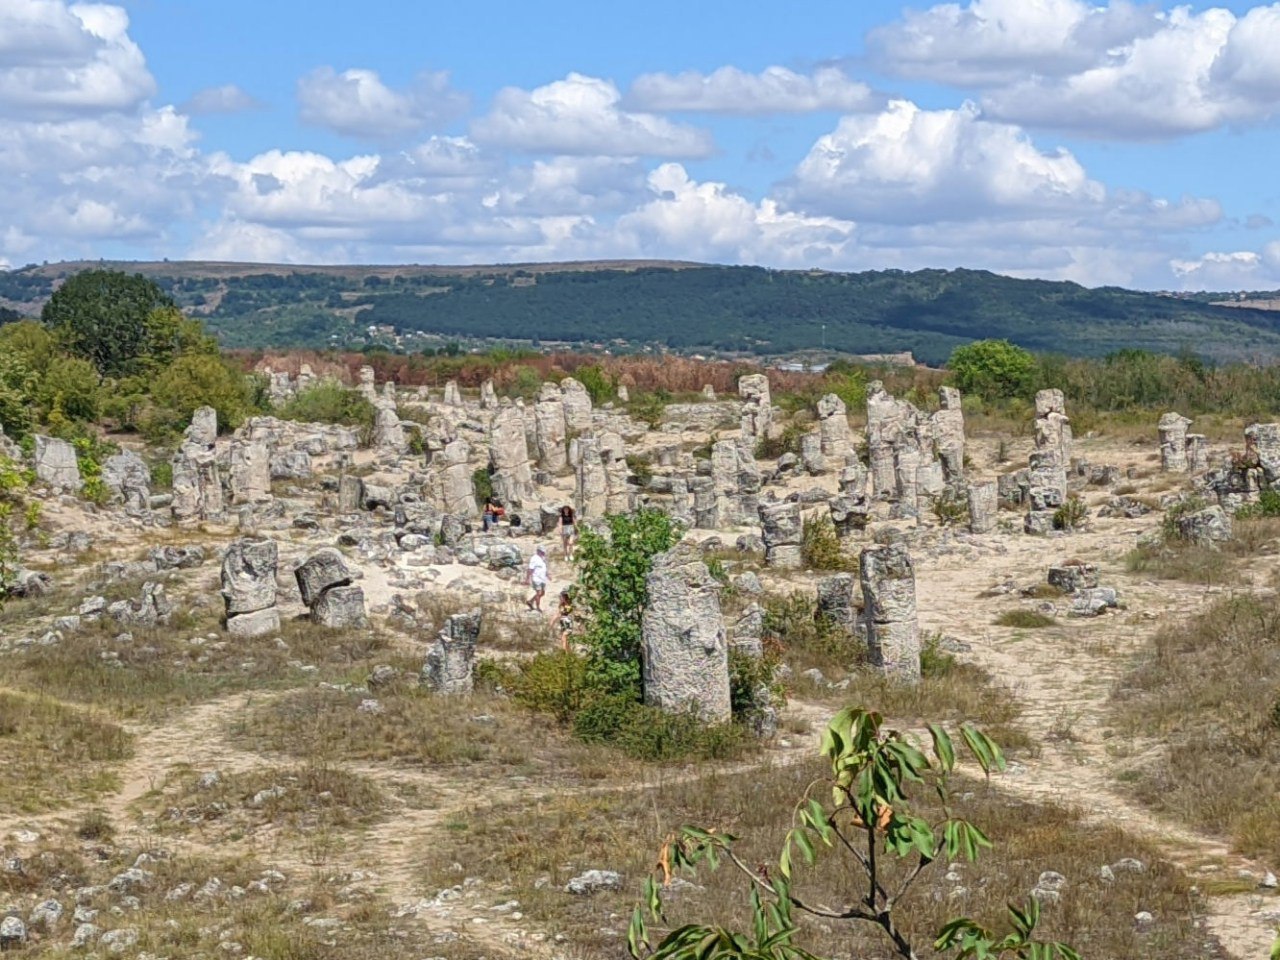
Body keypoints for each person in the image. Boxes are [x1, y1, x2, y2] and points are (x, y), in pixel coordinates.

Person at [525, 546, 548, 612]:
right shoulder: (534, 558)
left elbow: (543, 568)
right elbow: (530, 569)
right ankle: (538, 607)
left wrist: (547, 575)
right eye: (542, 552)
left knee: (542, 593)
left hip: (542, 579)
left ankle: (530, 601)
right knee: (539, 592)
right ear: (538, 551)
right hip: (536, 578)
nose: (543, 553)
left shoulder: (542, 559)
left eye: (543, 552)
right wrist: (527, 579)